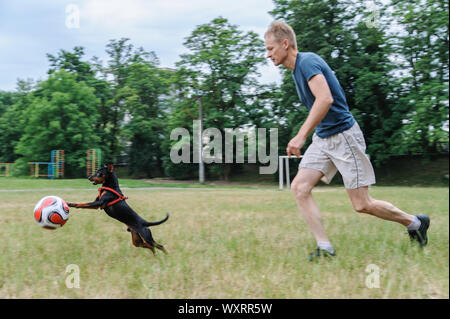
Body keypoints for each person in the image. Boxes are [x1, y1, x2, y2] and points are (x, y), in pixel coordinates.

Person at [264, 21, 430, 261]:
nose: (268, 54)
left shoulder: (307, 62)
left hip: (343, 136)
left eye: (270, 49)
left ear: (285, 44)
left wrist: (301, 135)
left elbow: (325, 99)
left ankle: (415, 223)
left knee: (362, 204)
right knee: (300, 188)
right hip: (324, 138)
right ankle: (325, 248)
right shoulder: (295, 71)